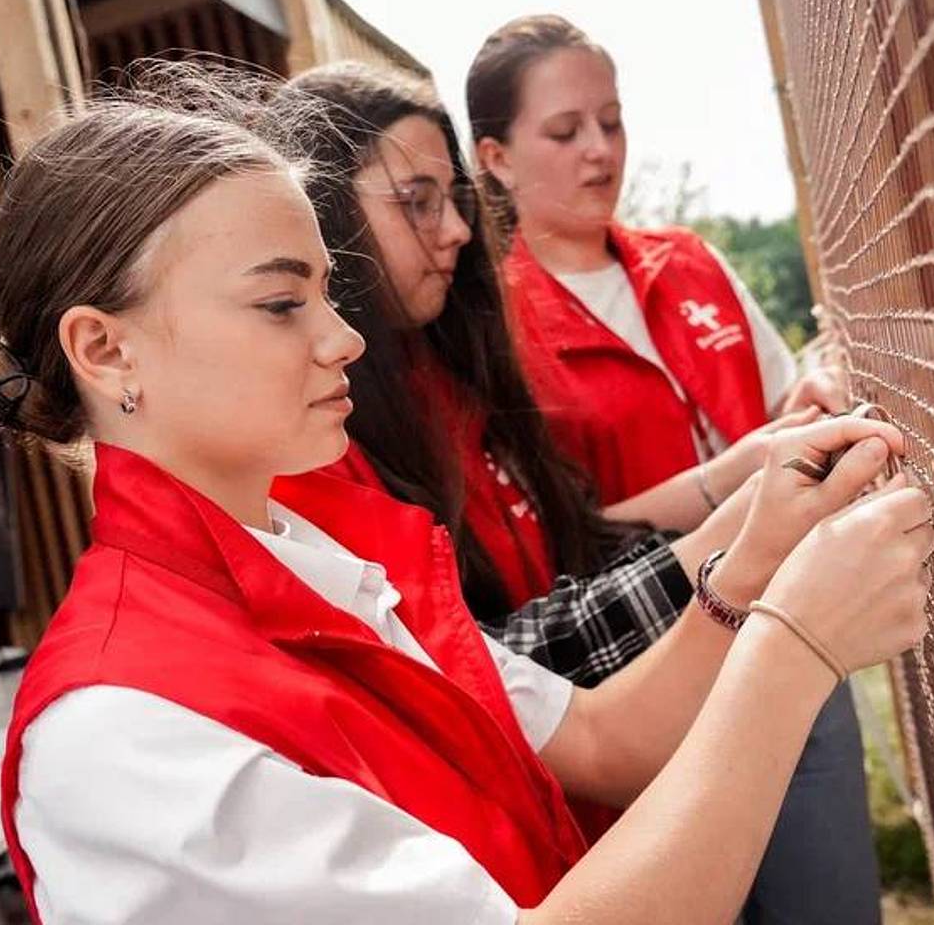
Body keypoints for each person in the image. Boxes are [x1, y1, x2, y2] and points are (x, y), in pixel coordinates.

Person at [0, 65, 932, 925]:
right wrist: (794, 645)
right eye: (280, 303)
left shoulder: (323, 566)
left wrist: (753, 556)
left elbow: (595, 737)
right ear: (105, 348)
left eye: (327, 296)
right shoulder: (118, 736)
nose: (341, 339)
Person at [281, 60, 880, 918]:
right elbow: (495, 661)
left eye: (613, 120)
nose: (453, 230)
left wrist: (741, 481)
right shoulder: (324, 442)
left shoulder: (456, 369)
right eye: (417, 201)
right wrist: (741, 546)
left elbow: (573, 550)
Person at [468, 14, 848, 526]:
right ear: (498, 159)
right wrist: (739, 475)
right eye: (565, 132)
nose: (600, 150)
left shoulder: (688, 259)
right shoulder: (495, 328)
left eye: (611, 122)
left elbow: (777, 409)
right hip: (678, 601)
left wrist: (807, 404)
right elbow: (567, 547)